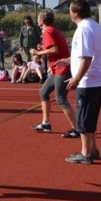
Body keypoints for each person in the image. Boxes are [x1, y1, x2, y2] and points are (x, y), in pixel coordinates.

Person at [64, 0, 101, 164]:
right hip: (99, 79)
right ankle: (93, 149)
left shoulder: (83, 29)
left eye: (70, 10)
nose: (69, 13)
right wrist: (68, 61)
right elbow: (88, 53)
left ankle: (85, 153)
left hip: (89, 81)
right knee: (90, 117)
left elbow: (87, 57)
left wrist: (76, 78)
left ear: (75, 13)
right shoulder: (95, 26)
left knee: (83, 118)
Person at [29, 9, 78, 137]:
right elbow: (54, 48)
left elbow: (54, 49)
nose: (37, 20)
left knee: (61, 98)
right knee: (43, 92)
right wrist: (42, 49)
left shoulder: (48, 31)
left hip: (62, 69)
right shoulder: (53, 30)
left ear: (42, 20)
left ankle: (76, 128)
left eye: (38, 18)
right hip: (57, 69)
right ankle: (45, 123)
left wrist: (38, 52)